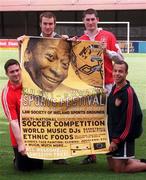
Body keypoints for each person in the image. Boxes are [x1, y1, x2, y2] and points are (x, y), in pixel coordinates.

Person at [18, 11, 69, 165]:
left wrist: (70, 42)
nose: (48, 26)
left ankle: (59, 155)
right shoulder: (32, 42)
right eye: (45, 23)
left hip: (58, 94)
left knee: (58, 122)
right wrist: (20, 43)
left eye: (51, 24)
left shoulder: (62, 41)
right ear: (41, 24)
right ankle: (38, 152)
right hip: (36, 93)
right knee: (40, 121)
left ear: (55, 24)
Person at [79, 8, 123, 164]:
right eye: (87, 20)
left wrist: (107, 51)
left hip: (109, 84)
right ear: (83, 21)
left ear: (97, 19)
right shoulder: (81, 39)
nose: (90, 22)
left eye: (92, 19)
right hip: (90, 86)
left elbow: (121, 59)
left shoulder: (108, 36)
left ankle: (113, 151)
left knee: (112, 118)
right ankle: (92, 153)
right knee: (91, 119)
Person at [1, 59, 43, 171]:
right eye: (12, 72)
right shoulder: (7, 93)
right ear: (6, 74)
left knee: (38, 167)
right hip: (19, 133)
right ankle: (16, 159)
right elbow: (13, 121)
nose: (15, 74)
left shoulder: (30, 83)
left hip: (35, 132)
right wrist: (21, 144)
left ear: (21, 70)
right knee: (24, 169)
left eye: (17, 70)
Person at [107, 60, 146, 173]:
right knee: (111, 166)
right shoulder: (115, 88)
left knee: (119, 169)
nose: (117, 74)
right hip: (114, 133)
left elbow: (128, 121)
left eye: (121, 71)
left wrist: (116, 140)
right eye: (115, 71)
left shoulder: (128, 92)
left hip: (124, 136)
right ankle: (136, 161)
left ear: (126, 73)